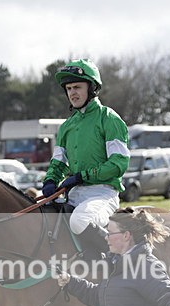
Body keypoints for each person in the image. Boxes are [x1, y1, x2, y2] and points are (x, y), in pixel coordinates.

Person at [42, 59, 130, 259]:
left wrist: (82, 176)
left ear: (92, 88)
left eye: (77, 87)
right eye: (69, 88)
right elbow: (58, 163)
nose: (72, 93)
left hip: (102, 194)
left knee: (78, 222)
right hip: (74, 195)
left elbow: (118, 164)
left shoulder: (109, 119)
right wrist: (50, 181)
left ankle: (119, 261)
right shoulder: (66, 126)